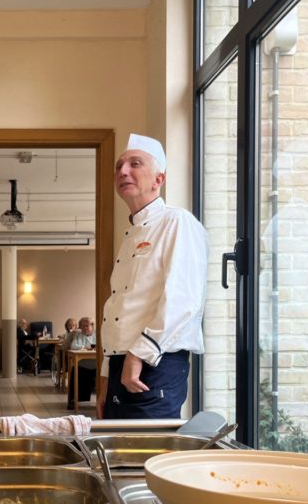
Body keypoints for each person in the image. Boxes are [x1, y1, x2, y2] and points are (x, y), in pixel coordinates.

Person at [97, 133, 209, 419]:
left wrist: (139, 355)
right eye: (119, 166)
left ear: (159, 179)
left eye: (135, 164)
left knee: (146, 445)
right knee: (115, 447)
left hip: (154, 363)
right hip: (122, 364)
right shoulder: (130, 235)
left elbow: (184, 300)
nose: (123, 171)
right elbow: (118, 309)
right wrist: (106, 376)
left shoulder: (177, 221)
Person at [65, 316, 97, 410]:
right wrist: (85, 347)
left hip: (96, 365)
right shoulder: (79, 335)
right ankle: (74, 401)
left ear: (92, 326)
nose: (85, 328)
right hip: (82, 364)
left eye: (87, 326)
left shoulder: (97, 334)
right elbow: (73, 346)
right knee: (76, 371)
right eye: (82, 326)